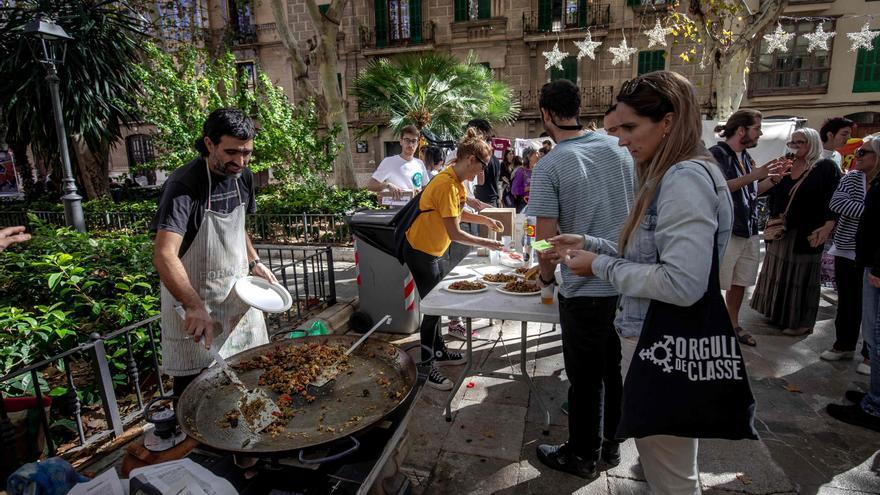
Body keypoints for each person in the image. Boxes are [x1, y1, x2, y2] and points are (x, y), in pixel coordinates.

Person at [547, 71, 733, 494]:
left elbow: (682, 282)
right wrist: (590, 243)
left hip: (662, 342)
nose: (621, 140)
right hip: (657, 338)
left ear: (668, 121)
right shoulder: (674, 172)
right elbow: (648, 251)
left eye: (630, 127)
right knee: (665, 465)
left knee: (670, 476)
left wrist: (598, 266)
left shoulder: (683, 177)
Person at [530, 79, 636, 480]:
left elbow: (545, 241)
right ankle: (611, 446)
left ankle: (580, 455)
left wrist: (544, 280)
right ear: (578, 108)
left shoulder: (552, 164)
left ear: (545, 114)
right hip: (625, 280)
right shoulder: (619, 148)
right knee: (613, 370)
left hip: (585, 285)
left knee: (585, 378)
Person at [152, 108, 277, 397]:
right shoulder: (184, 185)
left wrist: (253, 260)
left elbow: (237, 225)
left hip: (235, 299)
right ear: (209, 144)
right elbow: (164, 254)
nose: (240, 161)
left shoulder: (242, 177)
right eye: (232, 152)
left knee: (249, 380)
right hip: (197, 305)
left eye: (246, 153)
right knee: (198, 391)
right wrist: (194, 306)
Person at [403, 127, 505, 390]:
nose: (479, 174)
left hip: (432, 250)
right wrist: (488, 241)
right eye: (480, 167)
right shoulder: (446, 183)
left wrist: (485, 218)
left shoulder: (455, 182)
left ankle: (439, 352)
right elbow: (455, 231)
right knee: (434, 307)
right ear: (470, 159)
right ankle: (426, 368)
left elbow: (457, 214)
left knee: (438, 306)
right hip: (419, 250)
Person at [750, 128, 841, 336]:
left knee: (801, 276)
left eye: (801, 142)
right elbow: (766, 192)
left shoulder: (825, 167)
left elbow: (832, 200)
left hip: (807, 231)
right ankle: (778, 314)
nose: (796, 146)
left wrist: (828, 225)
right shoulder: (787, 163)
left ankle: (802, 322)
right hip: (782, 229)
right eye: (793, 142)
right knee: (779, 272)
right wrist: (773, 176)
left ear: (812, 143)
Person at [709, 109, 786, 347]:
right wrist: (754, 176)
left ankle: (733, 324)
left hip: (749, 228)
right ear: (741, 130)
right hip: (728, 230)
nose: (759, 134)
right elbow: (718, 188)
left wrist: (771, 180)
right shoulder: (717, 154)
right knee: (717, 283)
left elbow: (751, 193)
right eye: (757, 129)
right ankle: (711, 326)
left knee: (741, 281)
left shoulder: (746, 158)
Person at [827, 134, 880, 432]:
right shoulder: (854, 179)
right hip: (854, 252)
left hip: (874, 261)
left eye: (864, 152)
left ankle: (875, 404)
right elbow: (837, 203)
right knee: (856, 309)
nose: (857, 155)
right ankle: (873, 395)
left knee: (877, 330)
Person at [367, 125, 430, 200]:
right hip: (397, 210)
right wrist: (387, 186)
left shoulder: (420, 163)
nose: (410, 144)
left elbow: (425, 188)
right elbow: (371, 185)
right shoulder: (389, 162)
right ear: (401, 141)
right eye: (407, 140)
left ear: (418, 143)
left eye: (414, 141)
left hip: (415, 210)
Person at [469, 119, 502, 207]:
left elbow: (480, 181)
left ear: (483, 134)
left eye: (475, 132)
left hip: (481, 203)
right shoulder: (495, 158)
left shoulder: (479, 156)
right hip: (493, 201)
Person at [512, 147, 538, 213]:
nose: (538, 155)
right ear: (529, 157)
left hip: (535, 204)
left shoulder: (537, 169)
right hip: (523, 204)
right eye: (536, 153)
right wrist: (529, 188)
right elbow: (514, 190)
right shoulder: (521, 171)